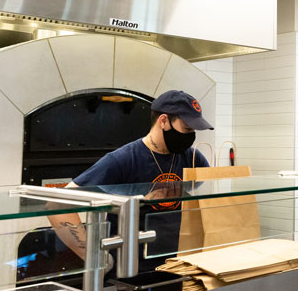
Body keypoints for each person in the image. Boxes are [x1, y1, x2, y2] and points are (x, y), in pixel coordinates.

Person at [49, 89, 212, 273]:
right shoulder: (122, 160)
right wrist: (93, 256)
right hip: (132, 271)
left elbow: (207, 199)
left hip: (182, 265)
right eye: (187, 129)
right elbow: (57, 205)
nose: (191, 137)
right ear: (164, 121)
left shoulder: (193, 158)